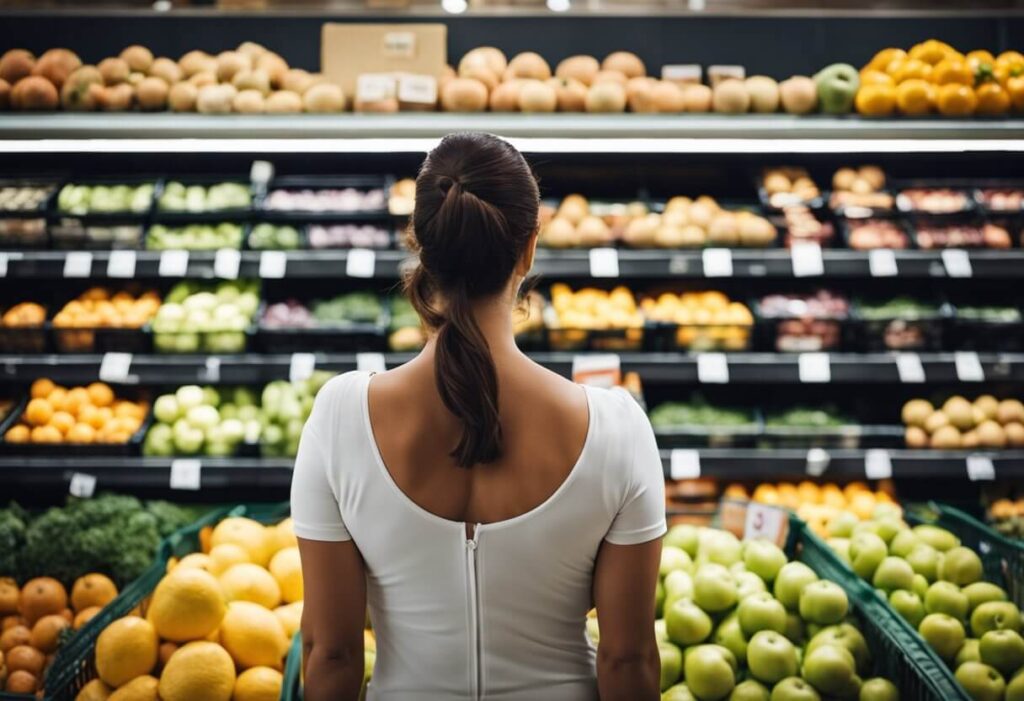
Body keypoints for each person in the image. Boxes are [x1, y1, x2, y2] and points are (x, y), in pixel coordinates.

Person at [291, 132, 666, 701]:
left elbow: (331, 654)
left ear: (419, 243)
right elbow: (628, 659)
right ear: (528, 249)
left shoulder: (341, 416)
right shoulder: (617, 429)